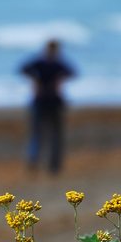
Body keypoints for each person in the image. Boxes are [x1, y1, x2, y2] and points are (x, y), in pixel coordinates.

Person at [19, 39, 76, 174]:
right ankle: (34, 162)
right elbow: (22, 69)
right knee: (38, 134)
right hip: (40, 101)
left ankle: (54, 166)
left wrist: (59, 80)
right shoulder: (40, 63)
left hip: (54, 102)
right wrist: (35, 80)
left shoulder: (58, 64)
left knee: (54, 135)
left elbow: (73, 72)